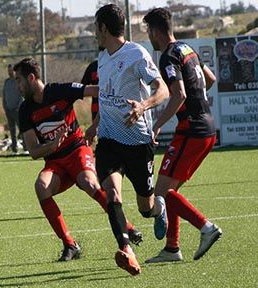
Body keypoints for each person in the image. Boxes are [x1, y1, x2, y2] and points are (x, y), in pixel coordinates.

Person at [14, 58, 142, 262]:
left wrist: (96, 124)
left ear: (31, 78)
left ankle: (126, 227)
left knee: (89, 183)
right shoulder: (25, 110)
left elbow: (97, 91)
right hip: (55, 162)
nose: (17, 87)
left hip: (77, 151)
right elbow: (33, 151)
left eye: (19, 81)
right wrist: (52, 146)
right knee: (41, 186)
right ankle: (70, 244)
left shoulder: (59, 91)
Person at [90, 4, 169, 276]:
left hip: (137, 143)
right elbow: (106, 97)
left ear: (103, 28)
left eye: (95, 27)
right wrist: (94, 126)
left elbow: (163, 89)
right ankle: (127, 250)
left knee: (145, 208)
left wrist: (143, 106)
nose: (94, 33)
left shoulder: (136, 53)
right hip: (109, 140)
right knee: (112, 193)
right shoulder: (102, 57)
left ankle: (160, 210)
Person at [142, 8, 222, 264]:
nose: (149, 37)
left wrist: (157, 126)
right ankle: (172, 248)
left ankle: (206, 227)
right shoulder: (188, 49)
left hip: (192, 129)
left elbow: (179, 95)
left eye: (148, 32)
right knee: (169, 190)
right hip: (207, 127)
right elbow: (210, 79)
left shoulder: (167, 57)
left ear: (155, 31)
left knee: (161, 194)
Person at [2, 63, 24, 153]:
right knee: (12, 130)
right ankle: (14, 149)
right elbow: (4, 95)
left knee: (22, 129)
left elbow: (22, 95)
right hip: (8, 110)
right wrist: (4, 106)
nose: (10, 72)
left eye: (11, 71)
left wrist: (19, 106)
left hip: (17, 110)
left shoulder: (18, 81)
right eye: (8, 71)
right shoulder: (6, 82)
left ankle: (26, 147)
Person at [80, 47, 103, 121]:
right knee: (98, 130)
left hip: (115, 106)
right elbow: (82, 86)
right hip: (97, 106)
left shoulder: (117, 65)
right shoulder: (93, 67)